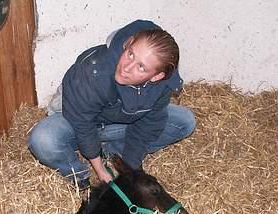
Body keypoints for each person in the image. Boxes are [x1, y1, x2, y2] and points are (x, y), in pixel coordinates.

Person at [28, 19, 195, 190]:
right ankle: (79, 176)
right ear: (127, 44)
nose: (127, 67)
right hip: (74, 120)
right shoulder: (94, 72)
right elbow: (83, 124)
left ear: (156, 76)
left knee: (184, 121)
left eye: (141, 67)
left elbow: (149, 125)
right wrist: (100, 171)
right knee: (43, 139)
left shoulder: (161, 86)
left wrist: (128, 169)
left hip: (117, 122)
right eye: (130, 54)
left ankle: (113, 152)